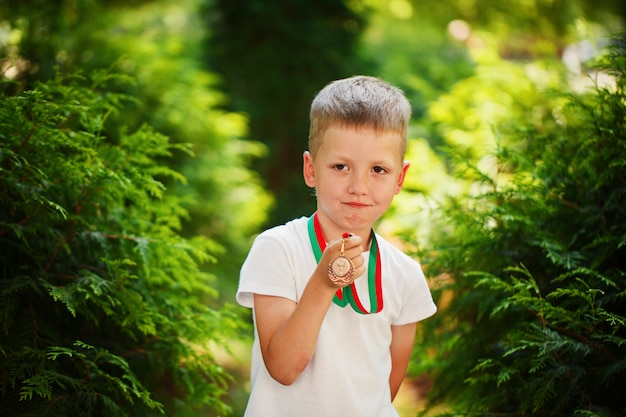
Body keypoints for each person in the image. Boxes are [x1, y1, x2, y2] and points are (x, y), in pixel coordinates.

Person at [236, 75, 437, 417]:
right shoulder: (277, 249)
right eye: (341, 167)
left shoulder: (406, 274)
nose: (359, 186)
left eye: (378, 169)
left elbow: (386, 386)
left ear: (399, 179)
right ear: (311, 170)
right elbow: (283, 368)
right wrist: (324, 283)